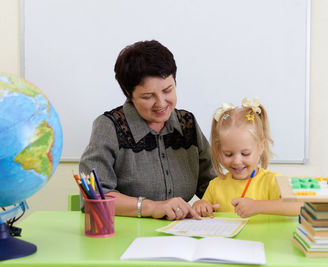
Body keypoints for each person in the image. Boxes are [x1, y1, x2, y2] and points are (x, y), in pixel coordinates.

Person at [79, 40, 215, 220]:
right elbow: (93, 196)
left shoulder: (187, 123)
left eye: (168, 90)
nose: (161, 103)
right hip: (127, 235)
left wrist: (206, 202)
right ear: (129, 93)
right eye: (148, 96)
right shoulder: (109, 127)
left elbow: (213, 186)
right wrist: (151, 207)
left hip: (180, 234)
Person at [192, 98, 302, 218]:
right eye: (228, 154)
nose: (237, 161)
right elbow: (204, 210)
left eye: (245, 154)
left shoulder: (273, 181)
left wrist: (257, 206)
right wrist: (200, 204)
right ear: (218, 151)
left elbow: (300, 205)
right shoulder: (215, 186)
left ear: (261, 147)